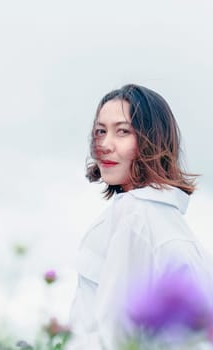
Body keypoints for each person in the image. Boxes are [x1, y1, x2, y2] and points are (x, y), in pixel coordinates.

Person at [66, 84, 213, 350]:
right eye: (100, 132)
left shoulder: (136, 215)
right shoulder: (167, 221)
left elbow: (114, 333)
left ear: (152, 140)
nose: (105, 145)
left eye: (123, 131)